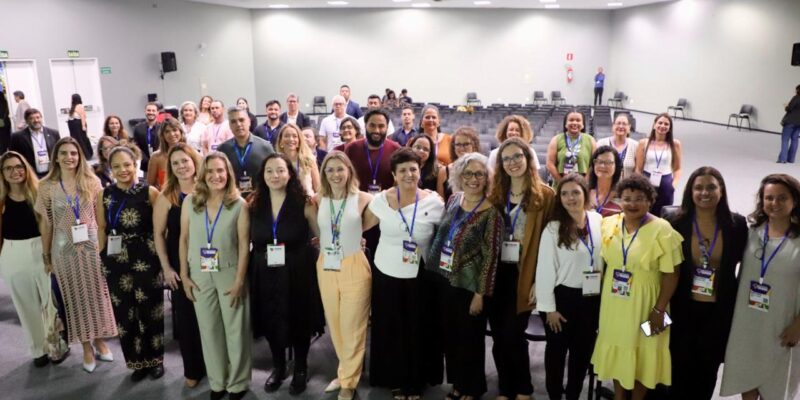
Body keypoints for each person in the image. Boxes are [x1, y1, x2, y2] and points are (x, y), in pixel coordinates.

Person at [590, 174, 683, 400]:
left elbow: (672, 274)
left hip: (648, 303)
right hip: (614, 303)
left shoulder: (663, 230)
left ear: (650, 201)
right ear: (619, 199)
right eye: (627, 198)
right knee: (618, 350)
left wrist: (659, 309)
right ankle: (620, 396)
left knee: (645, 353)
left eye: (639, 198)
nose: (632, 204)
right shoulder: (608, 224)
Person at [362, 148, 445, 399]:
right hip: (387, 273)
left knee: (419, 328)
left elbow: (445, 237)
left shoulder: (433, 201)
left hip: (421, 275)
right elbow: (361, 226)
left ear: (420, 172)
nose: (409, 174)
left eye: (413, 169)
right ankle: (395, 378)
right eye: (403, 171)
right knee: (391, 328)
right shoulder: (380, 201)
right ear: (394, 175)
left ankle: (417, 380)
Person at [35, 137, 117, 373]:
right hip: (63, 250)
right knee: (73, 299)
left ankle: (99, 339)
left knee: (96, 296)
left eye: (73, 153)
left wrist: (103, 248)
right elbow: (46, 224)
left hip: (91, 248)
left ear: (79, 155)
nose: (69, 157)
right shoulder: (46, 186)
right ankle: (86, 347)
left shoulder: (92, 181)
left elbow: (101, 219)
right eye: (64, 153)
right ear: (56, 157)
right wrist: (46, 255)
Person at [666, 166, 747, 400]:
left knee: (707, 371)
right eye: (698, 187)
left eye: (711, 187)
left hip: (718, 311)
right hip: (682, 308)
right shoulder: (674, 221)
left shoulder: (736, 225)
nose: (705, 192)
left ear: (721, 190)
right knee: (677, 370)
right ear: (690, 191)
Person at [427, 152, 503, 400]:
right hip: (444, 281)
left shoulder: (492, 213)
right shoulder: (453, 200)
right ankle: (458, 384)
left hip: (470, 287)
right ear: (460, 175)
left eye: (479, 174)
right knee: (451, 336)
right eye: (468, 173)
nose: (474, 179)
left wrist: (480, 295)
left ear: (487, 178)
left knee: (470, 339)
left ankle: (472, 388)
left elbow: (491, 258)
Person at [720, 174, 800, 400]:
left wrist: (798, 325)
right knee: (747, 373)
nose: (774, 204)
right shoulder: (753, 232)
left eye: (782, 198)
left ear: (794, 200)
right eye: (769, 198)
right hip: (748, 320)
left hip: (783, 321)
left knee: (777, 382)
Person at [249, 153, 323, 395]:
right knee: (270, 318)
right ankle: (279, 366)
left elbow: (320, 236)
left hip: (297, 269)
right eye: (269, 171)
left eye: (280, 170)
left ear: (290, 174)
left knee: (298, 318)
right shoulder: (254, 202)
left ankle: (300, 367)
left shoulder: (304, 201)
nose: (275, 175)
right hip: (264, 269)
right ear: (263, 175)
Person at [179, 152, 251, 400]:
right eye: (210, 171)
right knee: (209, 330)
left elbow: (244, 245)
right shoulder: (190, 201)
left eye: (220, 171)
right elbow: (184, 239)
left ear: (228, 173)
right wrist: (184, 274)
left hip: (230, 272)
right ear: (202, 175)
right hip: (199, 273)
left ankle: (238, 383)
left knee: (235, 329)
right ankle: (218, 381)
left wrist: (240, 280)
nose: (215, 176)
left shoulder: (239, 204)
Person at [488, 137, 555, 400]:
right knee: (498, 336)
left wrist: (541, 281)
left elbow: (551, 245)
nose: (512, 162)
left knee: (513, 334)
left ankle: (524, 388)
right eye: (506, 159)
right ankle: (506, 388)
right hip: (496, 274)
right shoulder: (495, 195)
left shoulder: (545, 196)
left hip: (525, 274)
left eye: (518, 156)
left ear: (528, 159)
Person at [97, 146, 164, 381]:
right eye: (116, 166)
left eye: (127, 164)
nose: (122, 170)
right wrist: (101, 257)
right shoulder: (104, 194)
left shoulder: (150, 192)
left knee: (150, 309)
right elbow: (102, 228)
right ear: (110, 169)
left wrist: (163, 262)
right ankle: (137, 362)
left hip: (145, 255)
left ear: (135, 164)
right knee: (125, 313)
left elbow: (159, 231)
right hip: (115, 259)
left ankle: (155, 359)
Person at [535, 174, 602, 400]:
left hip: (591, 298)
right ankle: (555, 394)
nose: (570, 198)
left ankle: (573, 393)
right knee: (556, 351)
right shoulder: (553, 228)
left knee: (581, 352)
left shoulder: (598, 220)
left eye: (575, 192)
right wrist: (549, 309)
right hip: (562, 298)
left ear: (585, 194)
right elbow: (544, 270)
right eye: (564, 193)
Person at [313, 151, 373, 400]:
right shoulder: (318, 199)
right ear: (324, 174)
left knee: (353, 326)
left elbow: (365, 225)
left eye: (340, 169)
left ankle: (349, 381)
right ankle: (345, 370)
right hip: (326, 264)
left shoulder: (363, 198)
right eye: (330, 170)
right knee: (335, 324)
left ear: (349, 170)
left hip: (353, 265)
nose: (335, 174)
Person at [153, 143, 206, 388]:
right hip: (178, 263)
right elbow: (158, 234)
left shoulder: (207, 189)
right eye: (175, 163)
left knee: (210, 317)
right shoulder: (167, 196)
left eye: (185, 161)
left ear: (194, 161)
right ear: (171, 169)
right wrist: (167, 267)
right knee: (187, 320)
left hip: (208, 260)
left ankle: (215, 364)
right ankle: (194, 368)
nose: (182, 166)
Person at [0, 151, 51, 367]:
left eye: (19, 166)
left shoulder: (38, 193)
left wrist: (48, 254)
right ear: (2, 173)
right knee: (26, 305)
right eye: (9, 168)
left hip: (41, 248)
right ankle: (38, 349)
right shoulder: (1, 200)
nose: (15, 171)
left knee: (51, 302)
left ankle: (57, 344)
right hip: (13, 252)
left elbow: (47, 225)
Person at [217, 106, 275, 196]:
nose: (238, 124)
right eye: (233, 121)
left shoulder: (265, 147)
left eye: (241, 120)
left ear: (249, 121)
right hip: (232, 202)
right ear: (229, 125)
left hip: (261, 200)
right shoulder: (222, 150)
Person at [342, 109, 401, 195]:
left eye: (381, 126)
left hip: (387, 204)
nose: (376, 130)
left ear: (387, 128)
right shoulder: (352, 149)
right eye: (372, 125)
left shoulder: (396, 150)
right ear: (365, 126)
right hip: (358, 203)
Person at [635, 113, 683, 216]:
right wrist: (640, 185)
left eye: (666, 124)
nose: (662, 126)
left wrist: (673, 185)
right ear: (654, 125)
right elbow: (638, 168)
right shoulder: (643, 143)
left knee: (663, 215)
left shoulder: (675, 144)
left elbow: (678, 168)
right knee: (645, 212)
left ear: (670, 128)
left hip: (666, 183)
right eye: (660, 123)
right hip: (646, 181)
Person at [546, 109, 597, 184]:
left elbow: (594, 164)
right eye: (571, 120)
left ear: (583, 125)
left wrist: (584, 183)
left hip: (583, 185)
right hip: (560, 183)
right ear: (565, 124)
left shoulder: (591, 140)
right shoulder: (556, 139)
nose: (574, 123)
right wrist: (562, 183)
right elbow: (550, 163)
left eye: (578, 120)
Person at [10, 108, 59, 178]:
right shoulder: (17, 137)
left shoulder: (53, 133)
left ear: (41, 118)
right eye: (31, 118)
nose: (36, 120)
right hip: (31, 175)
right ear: (26, 121)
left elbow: (58, 152)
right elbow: (14, 156)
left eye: (38, 117)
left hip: (52, 173)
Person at [276, 123, 320, 195]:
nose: (291, 139)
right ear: (280, 141)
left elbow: (318, 189)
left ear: (299, 140)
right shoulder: (275, 162)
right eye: (286, 136)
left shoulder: (309, 159)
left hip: (307, 204)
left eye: (294, 136)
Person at [440, 126, 480, 200]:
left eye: (466, 144)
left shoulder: (482, 170)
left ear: (474, 145)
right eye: (458, 144)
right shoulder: (444, 171)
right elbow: (441, 202)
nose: (462, 148)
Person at [147, 117, 186, 190]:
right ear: (162, 135)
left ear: (180, 132)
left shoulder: (191, 153)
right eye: (167, 131)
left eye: (174, 130)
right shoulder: (156, 157)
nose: (171, 134)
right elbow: (150, 185)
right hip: (164, 197)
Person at [597, 113, 638, 179]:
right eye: (618, 123)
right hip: (605, 185)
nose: (621, 126)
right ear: (613, 126)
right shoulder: (601, 143)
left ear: (629, 127)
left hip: (626, 186)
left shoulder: (635, 146)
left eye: (624, 124)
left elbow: (637, 171)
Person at [588, 146, 623, 217]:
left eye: (608, 162)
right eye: (599, 161)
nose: (603, 166)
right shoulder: (584, 191)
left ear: (616, 166)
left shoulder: (622, 195)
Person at [133, 102, 162, 174]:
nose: (151, 112)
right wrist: (145, 159)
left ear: (157, 113)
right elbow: (136, 145)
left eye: (153, 111)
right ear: (145, 111)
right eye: (148, 110)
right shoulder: (138, 128)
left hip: (160, 162)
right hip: (144, 165)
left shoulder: (162, 127)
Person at [777, 84, 800, 163]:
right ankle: (791, 159)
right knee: (795, 140)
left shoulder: (796, 97)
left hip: (790, 121)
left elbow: (789, 109)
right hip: (799, 123)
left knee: (785, 139)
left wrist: (786, 106)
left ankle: (782, 159)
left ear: (798, 90)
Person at [66, 94, 93, 159]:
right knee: (75, 139)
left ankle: (86, 154)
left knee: (81, 139)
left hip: (77, 125)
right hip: (73, 125)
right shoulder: (73, 106)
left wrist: (83, 126)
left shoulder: (79, 106)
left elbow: (82, 116)